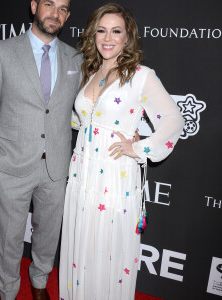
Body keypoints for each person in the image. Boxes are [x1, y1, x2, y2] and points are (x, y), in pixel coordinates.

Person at [59, 3, 184, 300]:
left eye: (116, 31)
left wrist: (139, 147)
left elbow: (174, 119)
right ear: (93, 35)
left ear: (128, 37)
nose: (108, 38)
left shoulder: (141, 76)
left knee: (106, 251)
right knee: (82, 246)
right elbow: (83, 120)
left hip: (114, 176)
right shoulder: (91, 72)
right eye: (101, 30)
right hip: (82, 173)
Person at [0, 0, 82, 299]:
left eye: (63, 8)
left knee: (48, 235)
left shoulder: (75, 58)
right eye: (49, 4)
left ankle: (39, 283)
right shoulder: (3, 52)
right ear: (34, 6)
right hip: (9, 167)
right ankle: (8, 291)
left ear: (68, 15)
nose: (55, 13)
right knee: (7, 239)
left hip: (56, 167)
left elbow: (88, 106)